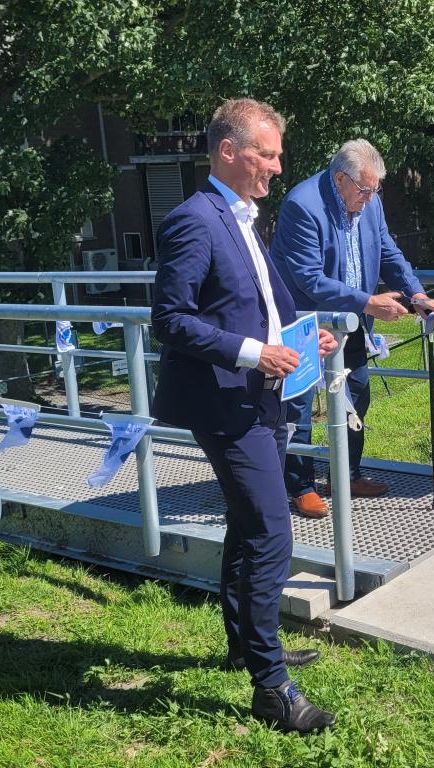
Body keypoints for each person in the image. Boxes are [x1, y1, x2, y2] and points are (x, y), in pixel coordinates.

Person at [151, 98, 338, 734]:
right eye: (268, 153)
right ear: (228, 152)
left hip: (257, 396)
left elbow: (256, 303)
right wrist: (257, 352)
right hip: (224, 402)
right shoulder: (193, 220)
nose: (278, 167)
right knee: (270, 530)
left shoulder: (243, 218)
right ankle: (271, 684)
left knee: (247, 524)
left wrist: (304, 340)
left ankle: (245, 645)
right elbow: (170, 320)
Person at [271, 139, 434, 518]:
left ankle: (346, 474)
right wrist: (369, 303)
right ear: (340, 179)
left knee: (357, 393)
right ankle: (299, 487)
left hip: (350, 321)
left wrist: (416, 293)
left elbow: (388, 252)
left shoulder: (370, 202)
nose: (369, 198)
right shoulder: (303, 205)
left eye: (374, 190)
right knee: (298, 404)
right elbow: (309, 279)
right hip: (305, 319)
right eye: (364, 190)